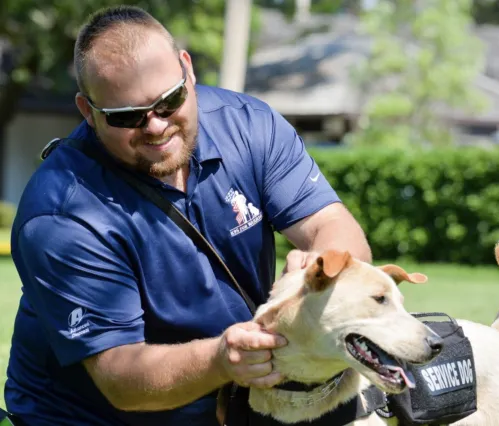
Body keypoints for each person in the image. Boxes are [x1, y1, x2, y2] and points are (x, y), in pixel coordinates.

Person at [4, 5, 372, 426]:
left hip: (229, 400)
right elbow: (120, 378)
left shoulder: (249, 126)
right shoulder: (62, 215)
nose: (155, 126)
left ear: (187, 70)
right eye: (126, 117)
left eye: (169, 101)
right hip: (92, 417)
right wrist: (222, 358)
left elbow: (333, 225)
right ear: (88, 112)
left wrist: (321, 268)